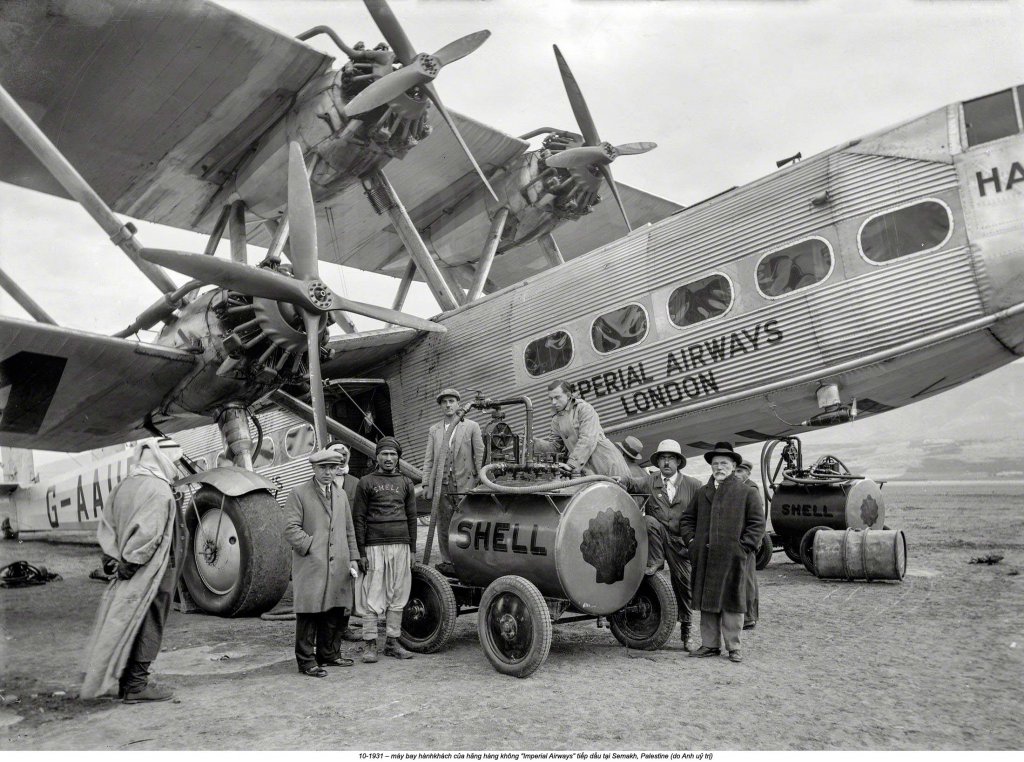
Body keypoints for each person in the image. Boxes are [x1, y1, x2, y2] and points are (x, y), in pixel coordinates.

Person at [81, 437, 186, 703]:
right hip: (150, 568)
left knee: (124, 619)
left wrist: (112, 559)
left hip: (124, 566)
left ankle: (122, 681)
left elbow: (107, 525)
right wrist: (131, 562)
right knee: (149, 620)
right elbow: (149, 534)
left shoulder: (123, 486)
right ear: (162, 460)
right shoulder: (159, 490)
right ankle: (136, 685)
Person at [680, 442, 765, 664]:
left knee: (732, 601)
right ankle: (709, 645)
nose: (719, 467)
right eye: (715, 464)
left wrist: (743, 548)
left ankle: (734, 647)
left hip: (733, 558)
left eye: (724, 463)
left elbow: (757, 524)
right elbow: (687, 520)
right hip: (706, 557)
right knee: (707, 601)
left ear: (734, 465)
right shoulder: (703, 492)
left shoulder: (746, 492)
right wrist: (692, 542)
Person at [283, 449, 361, 678]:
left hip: (339, 563)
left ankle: (329, 653)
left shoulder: (340, 495)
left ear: (338, 469)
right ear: (314, 469)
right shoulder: (299, 493)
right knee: (309, 612)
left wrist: (353, 558)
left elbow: (349, 530)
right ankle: (306, 661)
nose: (328, 472)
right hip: (311, 564)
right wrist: (311, 546)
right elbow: (290, 528)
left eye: (332, 468)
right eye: (323, 468)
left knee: (335, 610)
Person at [620, 439, 701, 651]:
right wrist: (617, 479)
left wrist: (694, 541)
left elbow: (701, 516)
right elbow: (630, 483)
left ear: (678, 462)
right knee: (648, 521)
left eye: (670, 459)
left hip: (681, 544)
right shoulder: (650, 481)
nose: (666, 463)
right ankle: (655, 561)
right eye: (663, 459)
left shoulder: (693, 485)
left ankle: (687, 632)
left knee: (684, 586)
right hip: (658, 538)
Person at [352, 437, 417, 662]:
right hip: (373, 546)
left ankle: (392, 642)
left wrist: (413, 550)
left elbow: (411, 517)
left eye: (393, 454)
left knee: (398, 592)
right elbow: (358, 518)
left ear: (398, 457)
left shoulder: (406, 483)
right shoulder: (366, 482)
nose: (389, 459)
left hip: (401, 544)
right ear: (376, 456)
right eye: (384, 454)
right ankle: (370, 644)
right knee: (372, 592)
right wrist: (360, 552)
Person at [422, 388, 484, 575]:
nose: (448, 405)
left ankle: (472, 561)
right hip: (443, 483)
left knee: (468, 522)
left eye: (451, 401)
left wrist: (482, 480)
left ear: (458, 403)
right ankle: (448, 562)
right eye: (444, 402)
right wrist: (426, 483)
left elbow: (480, 454)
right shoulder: (435, 430)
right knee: (444, 523)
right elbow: (429, 459)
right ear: (441, 406)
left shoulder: (471, 426)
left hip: (466, 482)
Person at [533, 379, 630, 478]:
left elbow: (587, 439)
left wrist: (572, 464)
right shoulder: (556, 419)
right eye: (551, 399)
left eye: (557, 397)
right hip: (588, 469)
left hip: (606, 464)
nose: (553, 402)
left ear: (568, 395)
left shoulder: (584, 409)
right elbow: (556, 446)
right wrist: (534, 443)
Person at [736, 459, 761, 630]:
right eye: (735, 471)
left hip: (746, 543)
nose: (736, 474)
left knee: (748, 581)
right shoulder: (738, 488)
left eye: (740, 471)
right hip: (739, 542)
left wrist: (749, 543)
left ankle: (749, 617)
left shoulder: (751, 490)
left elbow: (757, 521)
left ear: (748, 474)